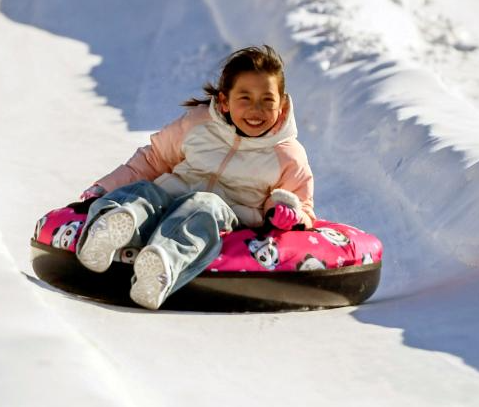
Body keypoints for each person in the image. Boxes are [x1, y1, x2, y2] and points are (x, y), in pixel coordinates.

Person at [76, 44, 316, 310]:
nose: (256, 109)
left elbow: (301, 203)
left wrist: (284, 212)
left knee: (204, 204)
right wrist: (104, 187)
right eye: (245, 98)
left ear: (282, 105)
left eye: (267, 100)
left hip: (224, 214)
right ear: (224, 101)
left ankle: (160, 266)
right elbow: (152, 159)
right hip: (170, 198)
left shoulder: (287, 154)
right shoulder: (198, 124)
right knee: (145, 192)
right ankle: (113, 228)